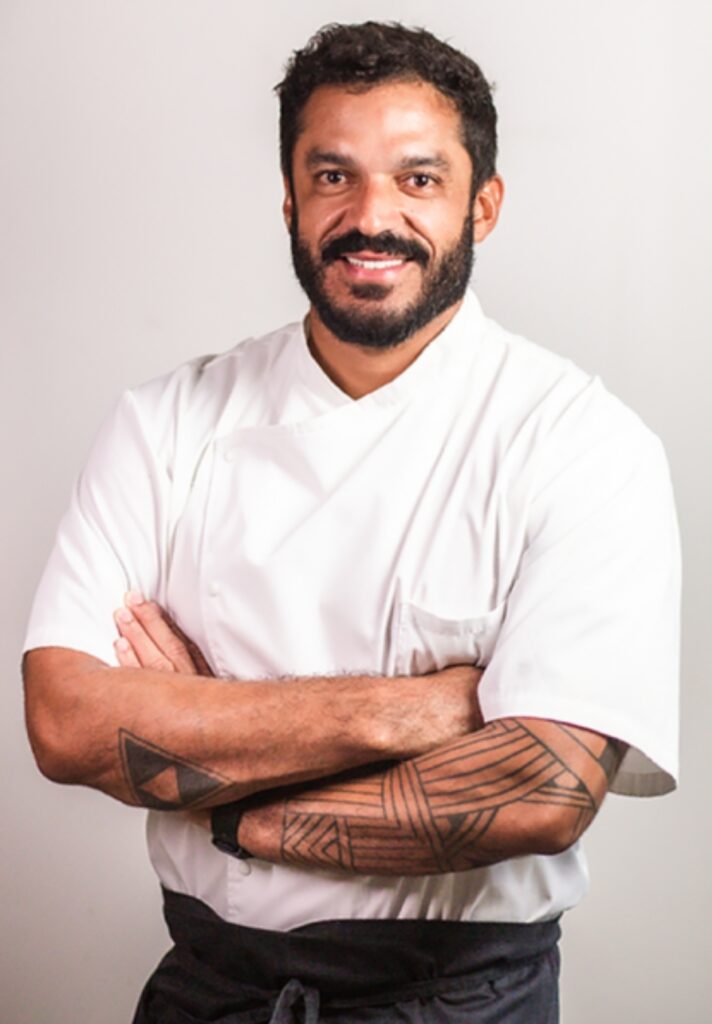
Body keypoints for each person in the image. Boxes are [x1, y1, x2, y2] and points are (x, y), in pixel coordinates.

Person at [22, 20, 680, 1024]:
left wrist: (229, 801)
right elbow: (66, 722)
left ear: (483, 204)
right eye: (334, 177)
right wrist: (411, 711)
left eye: (418, 179)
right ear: (290, 199)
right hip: (210, 988)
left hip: (460, 998)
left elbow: (541, 792)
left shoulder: (578, 440)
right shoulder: (165, 423)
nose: (372, 217)